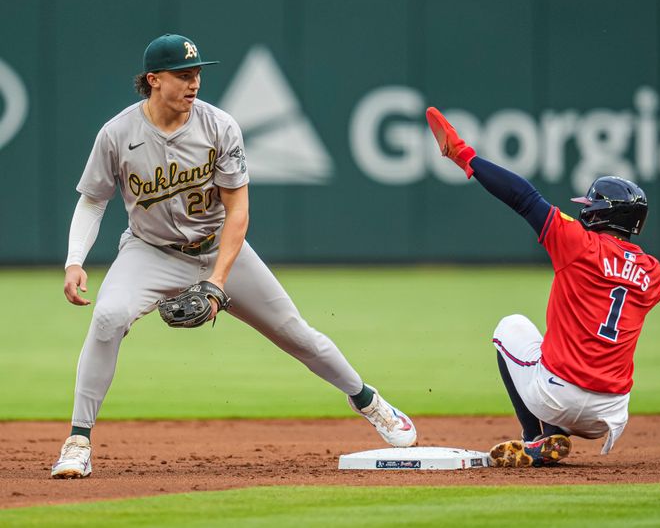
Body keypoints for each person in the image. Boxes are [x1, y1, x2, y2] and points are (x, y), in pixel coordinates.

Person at [50, 33, 416, 479]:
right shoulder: (117, 133)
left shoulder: (219, 126)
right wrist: (74, 260)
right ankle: (78, 440)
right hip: (150, 251)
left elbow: (238, 211)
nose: (194, 83)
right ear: (153, 80)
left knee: (296, 334)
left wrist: (218, 282)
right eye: (184, 75)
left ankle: (368, 400)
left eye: (198, 73)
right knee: (107, 317)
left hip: (219, 246)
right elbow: (92, 200)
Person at [425, 107, 660, 468]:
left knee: (509, 327)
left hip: (558, 396)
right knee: (557, 358)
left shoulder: (578, 244)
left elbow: (523, 198)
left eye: (591, 206)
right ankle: (556, 432)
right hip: (610, 412)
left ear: (600, 214)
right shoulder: (653, 273)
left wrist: (465, 155)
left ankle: (535, 437)